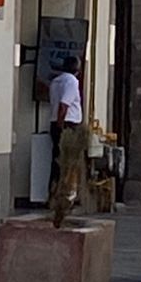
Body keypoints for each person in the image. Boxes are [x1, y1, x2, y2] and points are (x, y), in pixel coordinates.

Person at [48, 56, 86, 220]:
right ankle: (65, 197)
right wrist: (61, 123)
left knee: (56, 160)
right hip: (68, 124)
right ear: (76, 69)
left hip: (55, 122)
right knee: (69, 162)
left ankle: (53, 193)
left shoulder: (55, 81)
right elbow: (64, 105)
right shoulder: (71, 82)